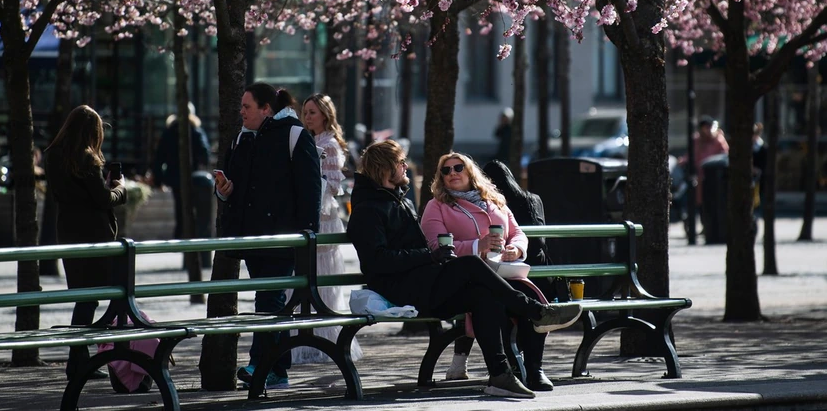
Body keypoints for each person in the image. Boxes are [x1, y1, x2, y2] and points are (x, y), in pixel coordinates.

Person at [346, 140, 582, 399]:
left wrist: (433, 256)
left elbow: (516, 232)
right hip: (402, 290)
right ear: (385, 168)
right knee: (471, 263)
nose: (405, 167)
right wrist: (430, 254)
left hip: (423, 282)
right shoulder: (368, 209)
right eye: (400, 162)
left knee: (484, 295)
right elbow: (376, 262)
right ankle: (536, 311)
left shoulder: (397, 200)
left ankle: (500, 375)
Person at [215, 83, 322, 390]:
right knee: (272, 303)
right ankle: (278, 370)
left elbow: (309, 190)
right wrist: (224, 192)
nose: (241, 112)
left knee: (269, 299)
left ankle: (258, 363)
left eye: (247, 107)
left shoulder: (294, 134)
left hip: (282, 238)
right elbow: (234, 183)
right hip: (252, 238)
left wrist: (306, 238)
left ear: (266, 109)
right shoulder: (241, 137)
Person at [421, 153, 555, 391]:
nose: (452, 173)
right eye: (446, 170)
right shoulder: (437, 206)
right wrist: (476, 246)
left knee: (530, 297)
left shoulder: (495, 200)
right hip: (467, 280)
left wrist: (517, 248)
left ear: (470, 172)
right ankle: (513, 368)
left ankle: (535, 370)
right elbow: (435, 246)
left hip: (505, 270)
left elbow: (517, 232)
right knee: (497, 301)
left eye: (458, 167)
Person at [45, 105, 127, 381]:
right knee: (93, 299)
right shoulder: (87, 159)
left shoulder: (54, 156)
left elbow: (75, 193)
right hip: (94, 235)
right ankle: (80, 361)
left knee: (84, 297)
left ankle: (78, 359)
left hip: (68, 232)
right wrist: (119, 188)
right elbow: (102, 200)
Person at [292, 93, 363, 363]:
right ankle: (303, 338)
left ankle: (327, 339)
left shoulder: (329, 145)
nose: (307, 116)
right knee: (304, 279)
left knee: (323, 281)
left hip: (324, 215)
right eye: (305, 111)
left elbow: (333, 185)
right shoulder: (306, 140)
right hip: (307, 215)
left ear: (325, 115)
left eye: (312, 112)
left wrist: (313, 186)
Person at [151, 102, 211, 239]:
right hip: (193, 177)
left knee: (180, 208)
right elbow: (204, 153)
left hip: (175, 177)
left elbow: (160, 156)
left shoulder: (170, 131)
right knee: (192, 208)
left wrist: (158, 179)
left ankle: (180, 234)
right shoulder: (195, 130)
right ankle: (189, 236)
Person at [694, 115, 729, 208]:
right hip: (700, 176)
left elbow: (725, 154)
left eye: (708, 127)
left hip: (715, 176)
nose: (706, 130)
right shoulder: (697, 140)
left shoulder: (718, 139)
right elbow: (692, 154)